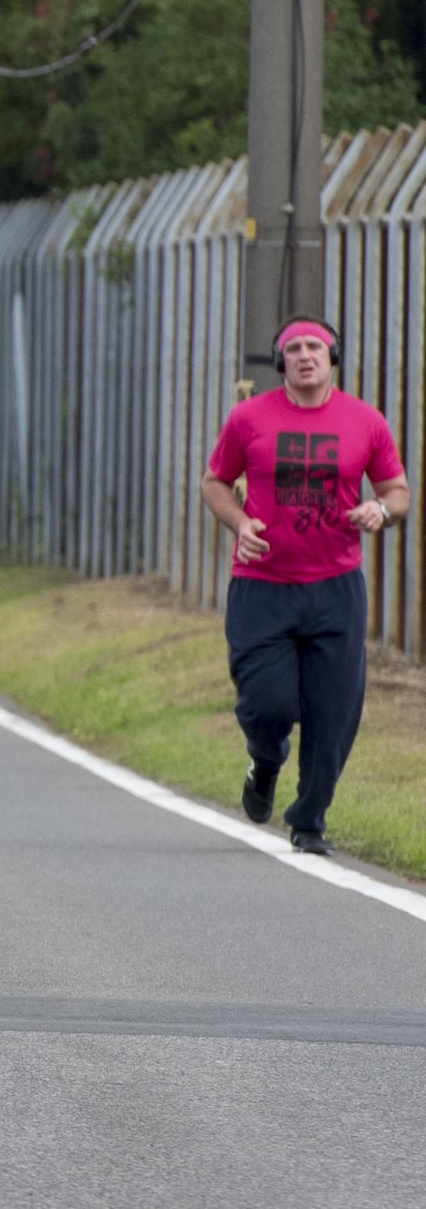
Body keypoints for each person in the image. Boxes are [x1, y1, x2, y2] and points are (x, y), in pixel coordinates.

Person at [200, 316, 410, 856]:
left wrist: (379, 509)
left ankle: (309, 821)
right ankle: (265, 760)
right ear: (281, 363)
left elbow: (399, 490)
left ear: (332, 356)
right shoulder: (249, 418)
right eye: (293, 348)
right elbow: (215, 481)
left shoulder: (365, 421)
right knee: (266, 703)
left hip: (336, 586)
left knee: (334, 709)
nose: (305, 356)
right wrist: (240, 522)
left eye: (315, 346)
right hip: (262, 585)